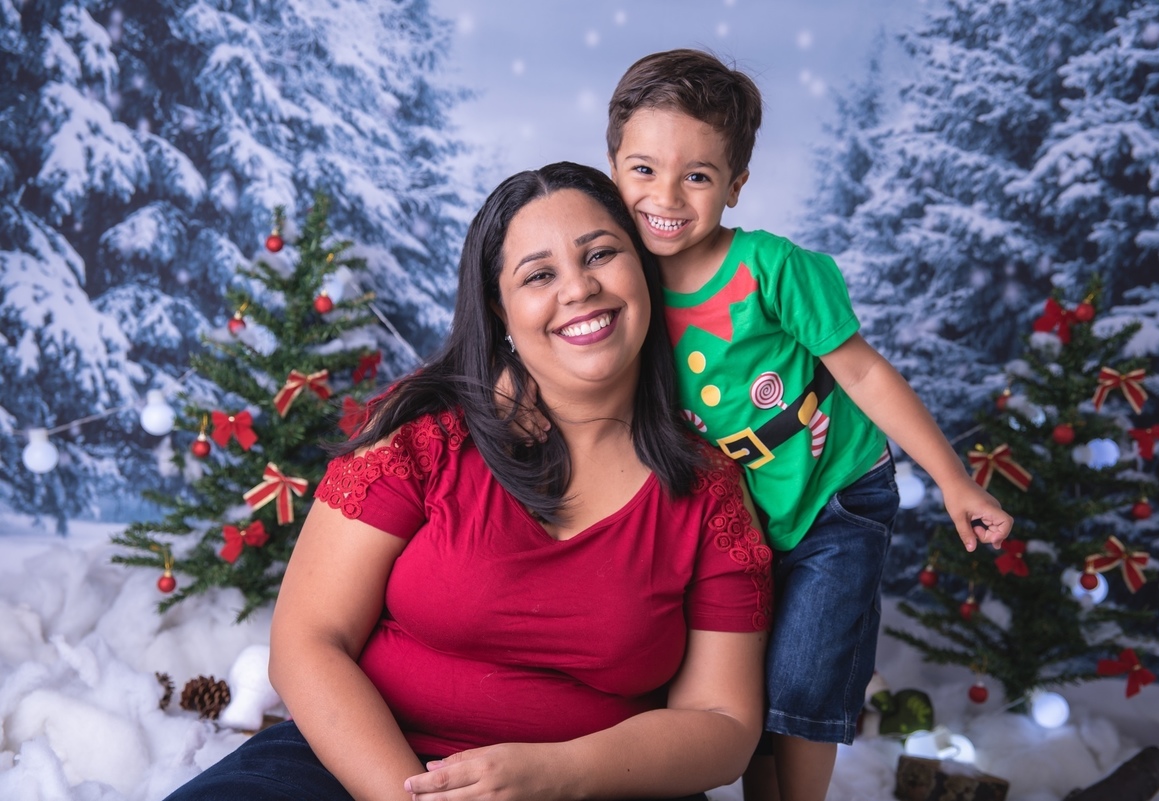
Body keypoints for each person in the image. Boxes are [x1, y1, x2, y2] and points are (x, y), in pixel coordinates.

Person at [162, 161, 772, 801]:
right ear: (500, 308)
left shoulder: (708, 492)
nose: (578, 288)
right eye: (538, 275)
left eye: (600, 255)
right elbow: (308, 641)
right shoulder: (427, 438)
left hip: (599, 788)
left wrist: (556, 775)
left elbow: (722, 723)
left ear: (644, 269)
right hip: (361, 768)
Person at [601, 49, 1016, 801]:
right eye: (643, 169)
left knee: (804, 679)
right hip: (735, 515)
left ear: (736, 184)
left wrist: (953, 480)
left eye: (697, 176)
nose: (666, 195)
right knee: (744, 686)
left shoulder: (773, 269)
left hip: (834, 495)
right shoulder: (621, 286)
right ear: (612, 168)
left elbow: (864, 373)